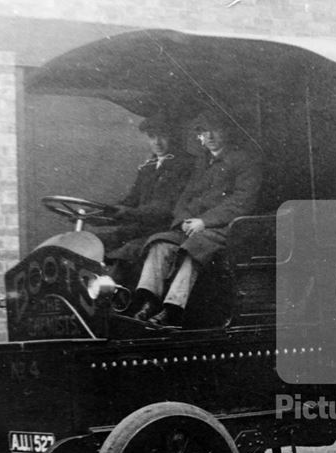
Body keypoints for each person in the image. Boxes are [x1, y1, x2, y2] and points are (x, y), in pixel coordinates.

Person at [132, 109, 264, 326]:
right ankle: (148, 302)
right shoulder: (203, 161)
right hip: (196, 227)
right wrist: (183, 220)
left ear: (227, 132)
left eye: (215, 130)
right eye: (204, 132)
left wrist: (204, 222)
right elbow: (186, 196)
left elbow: (242, 202)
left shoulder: (245, 160)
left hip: (226, 230)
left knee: (195, 248)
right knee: (160, 244)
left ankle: (173, 309)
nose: (209, 137)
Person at [97, 115, 193, 285]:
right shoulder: (149, 166)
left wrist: (128, 213)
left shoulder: (185, 165)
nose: (157, 142)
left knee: (127, 251)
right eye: (151, 136)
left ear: (172, 136)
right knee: (94, 242)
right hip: (139, 227)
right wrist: (102, 212)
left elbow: (166, 209)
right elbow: (131, 199)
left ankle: (113, 299)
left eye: (162, 136)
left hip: (163, 230)